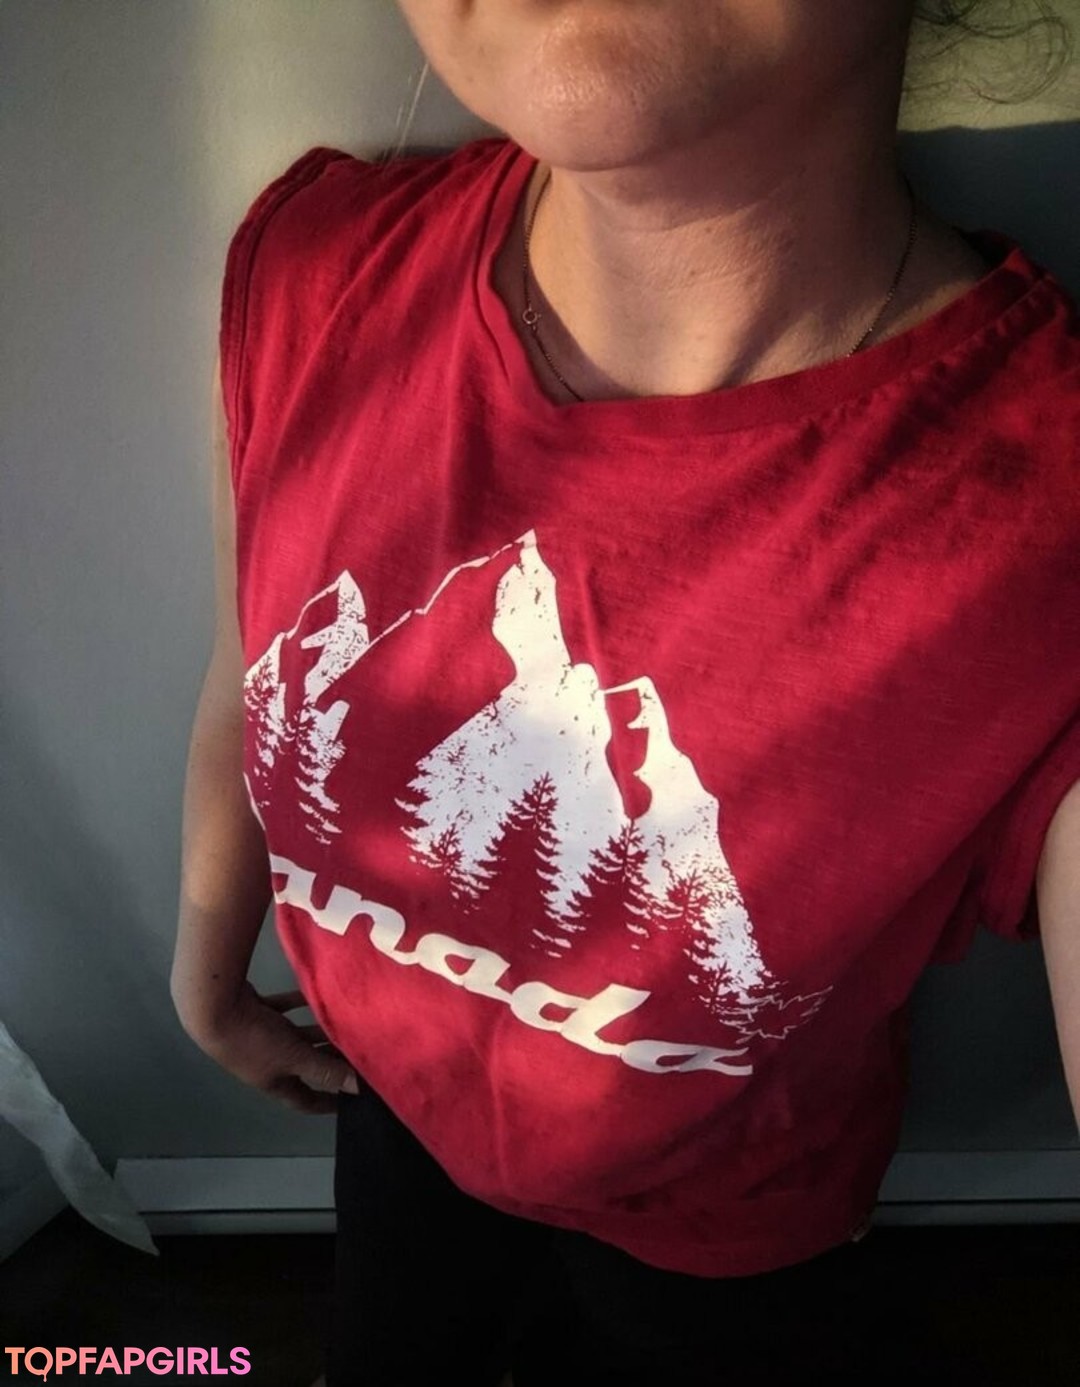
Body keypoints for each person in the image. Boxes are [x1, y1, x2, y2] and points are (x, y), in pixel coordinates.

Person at [170, 2, 1080, 1384]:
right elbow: (255, 655)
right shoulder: (315, 274)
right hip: (390, 1110)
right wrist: (208, 957)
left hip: (734, 1233)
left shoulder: (1045, 514)